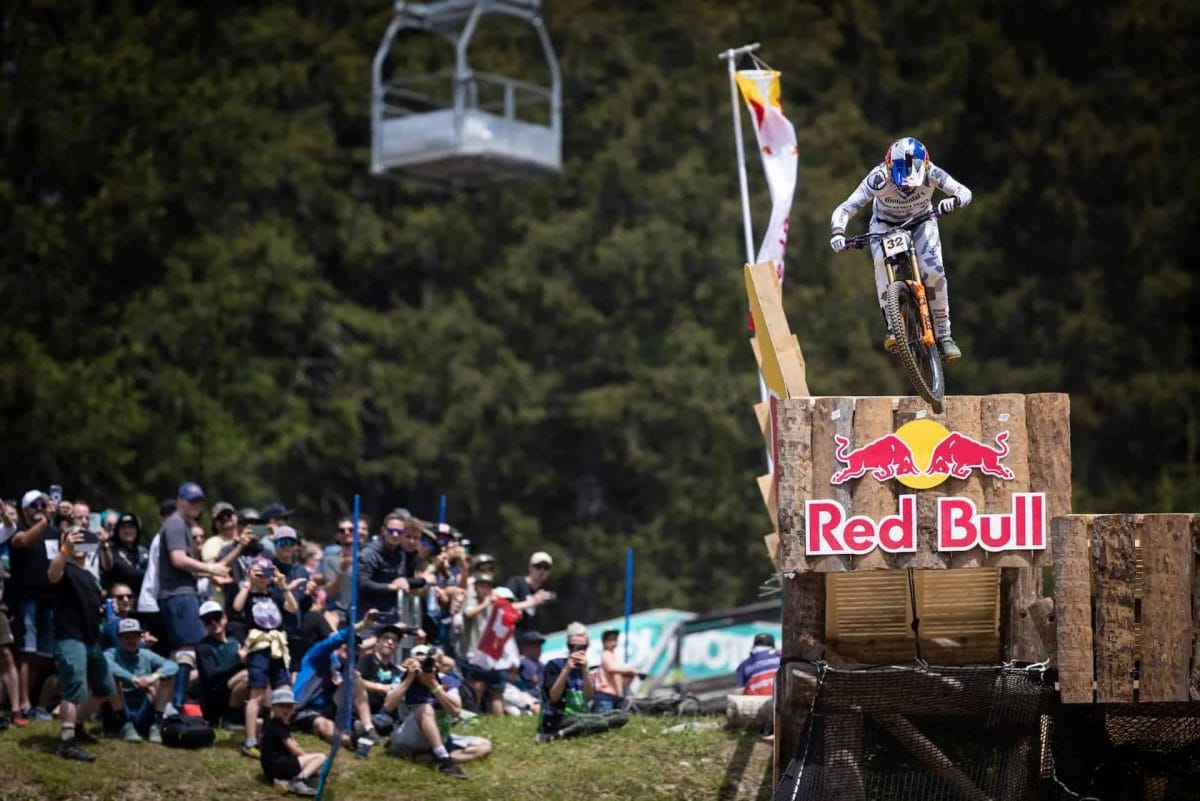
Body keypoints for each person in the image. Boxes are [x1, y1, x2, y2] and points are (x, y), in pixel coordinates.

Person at [829, 136, 973, 361]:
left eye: (910, 180)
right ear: (889, 167)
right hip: (884, 224)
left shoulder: (932, 172)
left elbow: (964, 192)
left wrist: (952, 201)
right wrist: (838, 232)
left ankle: (944, 334)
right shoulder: (877, 178)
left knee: (934, 271)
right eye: (900, 179)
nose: (905, 186)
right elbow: (846, 208)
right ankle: (893, 324)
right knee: (879, 263)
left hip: (922, 220)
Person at [48, 526, 132, 760]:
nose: (78, 543)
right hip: (70, 637)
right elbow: (52, 574)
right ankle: (66, 742)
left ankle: (76, 726)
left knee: (105, 687)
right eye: (73, 538)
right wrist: (65, 547)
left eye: (81, 539)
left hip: (91, 639)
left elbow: (107, 567)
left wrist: (105, 611)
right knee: (74, 689)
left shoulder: (90, 577)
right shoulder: (64, 568)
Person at [156, 482, 231, 712]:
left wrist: (209, 576)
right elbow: (178, 559)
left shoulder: (183, 525)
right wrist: (211, 570)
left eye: (199, 501)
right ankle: (176, 704)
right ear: (179, 501)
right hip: (179, 596)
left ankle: (163, 707)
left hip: (181, 593)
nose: (196, 505)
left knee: (179, 652)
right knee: (189, 649)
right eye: (191, 500)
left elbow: (181, 566)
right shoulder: (176, 524)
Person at [386, 644, 491, 778]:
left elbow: (455, 710)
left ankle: (433, 758)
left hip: (440, 737)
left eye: (431, 662)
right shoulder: (403, 678)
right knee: (424, 708)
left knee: (484, 746)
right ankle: (444, 761)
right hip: (407, 738)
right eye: (423, 663)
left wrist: (433, 685)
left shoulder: (446, 680)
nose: (430, 666)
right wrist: (408, 679)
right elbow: (388, 706)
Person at [233, 557, 298, 759]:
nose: (264, 579)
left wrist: (283, 585)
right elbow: (236, 606)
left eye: (267, 574)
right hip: (259, 645)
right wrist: (248, 582)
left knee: (284, 692)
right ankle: (250, 739)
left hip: (277, 646)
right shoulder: (249, 595)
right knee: (257, 695)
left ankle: (280, 735)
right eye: (260, 574)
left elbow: (293, 608)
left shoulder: (275, 595)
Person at [291, 609, 379, 754]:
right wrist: (363, 624)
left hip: (328, 707)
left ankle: (368, 728)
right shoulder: (319, 654)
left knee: (356, 678)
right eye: (347, 644)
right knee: (323, 724)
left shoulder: (345, 667)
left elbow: (372, 644)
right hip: (303, 708)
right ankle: (350, 740)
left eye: (354, 647)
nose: (350, 649)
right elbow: (333, 640)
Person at [8, 490, 62, 721]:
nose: (39, 508)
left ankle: (28, 701)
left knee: (42, 655)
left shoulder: (54, 532)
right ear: (25, 509)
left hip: (49, 600)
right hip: (26, 598)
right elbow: (24, 541)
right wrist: (45, 520)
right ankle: (22, 704)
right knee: (26, 654)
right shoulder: (17, 529)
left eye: (43, 503)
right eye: (34, 505)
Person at [537, 622, 627, 743]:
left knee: (621, 715)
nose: (578, 651)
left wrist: (585, 670)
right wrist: (566, 670)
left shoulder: (586, 669)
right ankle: (555, 735)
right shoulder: (554, 665)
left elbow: (588, 697)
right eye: (573, 647)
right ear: (568, 646)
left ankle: (583, 728)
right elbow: (554, 697)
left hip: (580, 716)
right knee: (599, 721)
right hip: (558, 717)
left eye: (582, 647)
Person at [103, 617, 179, 743]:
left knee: (167, 677)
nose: (131, 640)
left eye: (135, 636)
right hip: (120, 708)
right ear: (119, 639)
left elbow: (172, 665)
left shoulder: (146, 654)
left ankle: (156, 724)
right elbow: (108, 666)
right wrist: (135, 679)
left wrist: (154, 677)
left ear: (140, 637)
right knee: (110, 678)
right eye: (126, 637)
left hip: (143, 707)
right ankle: (125, 725)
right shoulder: (111, 653)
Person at [356, 514, 427, 624]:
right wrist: (391, 587)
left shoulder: (400, 554)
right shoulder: (369, 553)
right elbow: (363, 584)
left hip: (390, 614)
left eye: (400, 532)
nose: (395, 535)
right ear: (384, 530)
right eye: (391, 531)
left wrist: (406, 581)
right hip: (367, 615)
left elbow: (418, 580)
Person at [463, 585, 520, 715]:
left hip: (484, 658)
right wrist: (515, 662)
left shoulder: (490, 615)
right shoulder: (509, 619)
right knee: (496, 695)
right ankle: (496, 723)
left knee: (476, 689)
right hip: (500, 662)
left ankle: (473, 715)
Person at [260, 686, 324, 796]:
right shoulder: (277, 726)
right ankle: (299, 781)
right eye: (282, 706)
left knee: (317, 776)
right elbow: (294, 749)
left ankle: (287, 782)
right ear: (273, 707)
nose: (286, 709)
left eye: (289, 706)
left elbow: (293, 745)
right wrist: (308, 760)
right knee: (321, 758)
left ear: (293, 709)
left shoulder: (280, 724)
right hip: (277, 766)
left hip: (273, 769)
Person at [195, 600, 248, 729]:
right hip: (215, 694)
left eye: (216, 617)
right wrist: (239, 663)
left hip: (233, 686)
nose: (213, 623)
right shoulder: (203, 647)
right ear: (203, 624)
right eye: (208, 620)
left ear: (224, 618)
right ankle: (229, 719)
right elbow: (211, 675)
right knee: (247, 676)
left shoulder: (235, 639)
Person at [100, 513, 150, 599]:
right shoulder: (110, 549)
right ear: (117, 531)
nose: (127, 531)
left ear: (137, 530)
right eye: (123, 527)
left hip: (143, 600)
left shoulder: (144, 551)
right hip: (119, 601)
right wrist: (150, 575)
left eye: (131, 527)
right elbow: (127, 573)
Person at [592, 628, 642, 713]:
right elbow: (611, 669)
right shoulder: (606, 654)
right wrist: (629, 670)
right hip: (605, 694)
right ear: (604, 642)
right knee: (605, 718)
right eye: (610, 640)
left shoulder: (613, 656)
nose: (613, 643)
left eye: (615, 640)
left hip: (613, 695)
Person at [506, 551, 556, 635]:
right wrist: (532, 602)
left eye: (546, 568)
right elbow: (504, 607)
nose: (542, 571)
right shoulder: (517, 583)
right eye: (538, 566)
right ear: (530, 567)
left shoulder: (542, 593)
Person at [736, 632, 781, 697]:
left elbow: (741, 689)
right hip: (780, 699)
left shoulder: (744, 665)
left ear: (754, 645)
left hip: (757, 703)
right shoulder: (781, 656)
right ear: (772, 645)